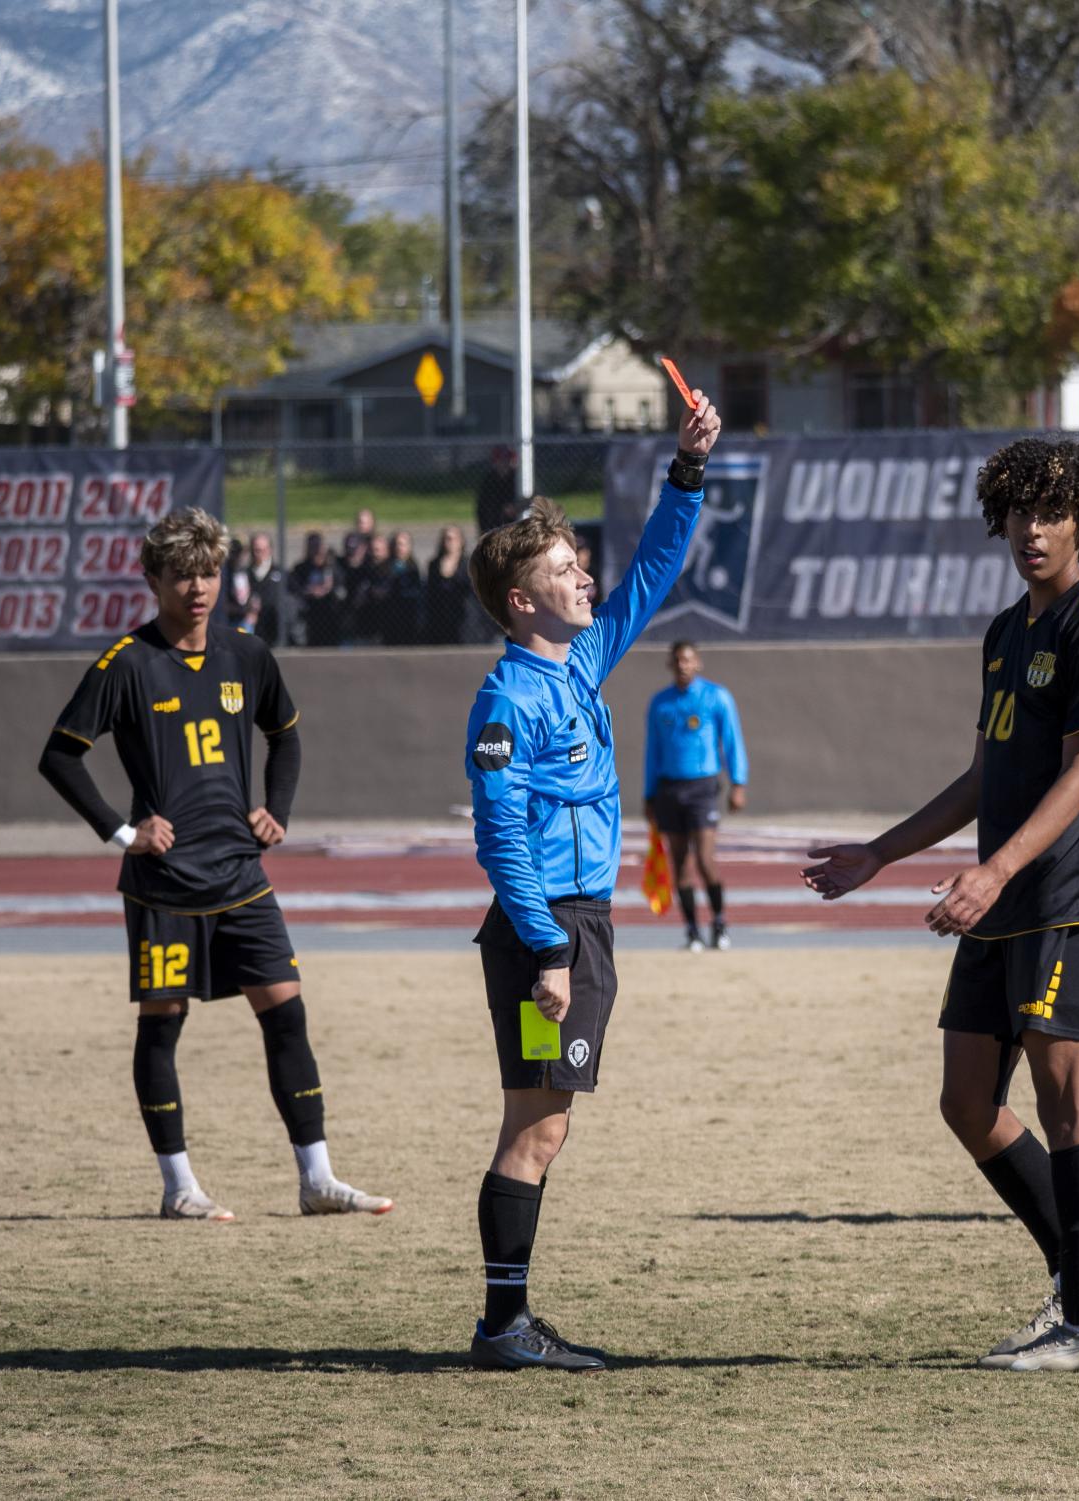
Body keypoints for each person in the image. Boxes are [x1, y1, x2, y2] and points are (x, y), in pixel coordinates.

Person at [800, 437, 1079, 1373]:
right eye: (1017, 511)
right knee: (964, 1101)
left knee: (1069, 1101)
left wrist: (991, 872)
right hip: (999, 902)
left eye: (1051, 512)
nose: (1031, 529)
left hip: (1065, 897)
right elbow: (983, 773)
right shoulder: (1006, 633)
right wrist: (881, 850)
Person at [34, 508, 392, 1222]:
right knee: (161, 1027)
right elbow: (59, 754)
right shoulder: (126, 662)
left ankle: (316, 1180)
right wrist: (121, 829)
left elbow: (284, 737)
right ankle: (179, 1188)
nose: (197, 587)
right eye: (181, 574)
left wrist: (275, 808)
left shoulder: (246, 654)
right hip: (164, 883)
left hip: (240, 876)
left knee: (288, 1016)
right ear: (153, 579)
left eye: (207, 572)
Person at [463, 390, 722, 1370]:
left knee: (546, 1121)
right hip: (548, 933)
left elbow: (655, 566)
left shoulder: (579, 662)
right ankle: (504, 1328)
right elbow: (500, 837)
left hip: (577, 928)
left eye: (580, 565)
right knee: (535, 1124)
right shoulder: (507, 696)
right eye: (566, 571)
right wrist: (545, 950)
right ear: (522, 600)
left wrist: (687, 469)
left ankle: (506, 1323)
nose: (587, 580)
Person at [643, 641, 749, 951]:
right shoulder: (660, 703)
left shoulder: (716, 697)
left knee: (704, 859)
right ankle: (692, 930)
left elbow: (732, 741)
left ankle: (719, 922)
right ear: (670, 665)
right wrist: (649, 794)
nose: (683, 665)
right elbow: (653, 751)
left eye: (688, 660)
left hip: (703, 787)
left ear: (698, 663)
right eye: (677, 660)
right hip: (669, 789)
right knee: (680, 864)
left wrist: (738, 783)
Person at [288, 532, 345, 648]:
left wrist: (328, 588)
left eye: (318, 546)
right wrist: (309, 591)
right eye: (312, 546)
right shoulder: (300, 568)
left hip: (329, 611)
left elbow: (340, 587)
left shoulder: (332, 567)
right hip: (308, 611)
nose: (315, 550)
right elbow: (295, 589)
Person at [423, 525, 477, 644]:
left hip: (463, 616)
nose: (450, 542)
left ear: (461, 541)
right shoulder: (434, 564)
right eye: (447, 538)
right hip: (440, 616)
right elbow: (431, 590)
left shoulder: (468, 563)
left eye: (453, 538)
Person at [384, 530, 424, 646]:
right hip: (390, 620)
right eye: (397, 544)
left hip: (409, 619)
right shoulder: (386, 567)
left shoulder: (413, 568)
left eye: (403, 544)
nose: (399, 548)